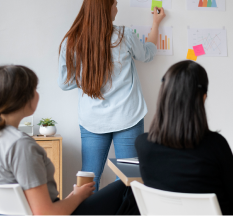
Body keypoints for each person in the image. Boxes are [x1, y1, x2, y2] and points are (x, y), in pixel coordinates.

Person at [58, 0, 165, 191]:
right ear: (106, 8)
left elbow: (64, 82)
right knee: (128, 178)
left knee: (89, 178)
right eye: (115, 4)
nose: (117, 8)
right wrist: (156, 24)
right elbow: (147, 55)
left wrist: (87, 78)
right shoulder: (123, 35)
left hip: (92, 119)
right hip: (128, 116)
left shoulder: (72, 40)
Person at [0, 65, 137, 216]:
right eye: (34, 89)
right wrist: (78, 196)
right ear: (22, 98)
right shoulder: (20, 146)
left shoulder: (7, 139)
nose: (37, 94)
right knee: (129, 187)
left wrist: (75, 195)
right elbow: (45, 213)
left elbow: (35, 204)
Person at [135, 60, 233, 216]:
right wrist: (232, 181)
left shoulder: (143, 144)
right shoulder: (216, 145)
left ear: (164, 94)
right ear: (203, 97)